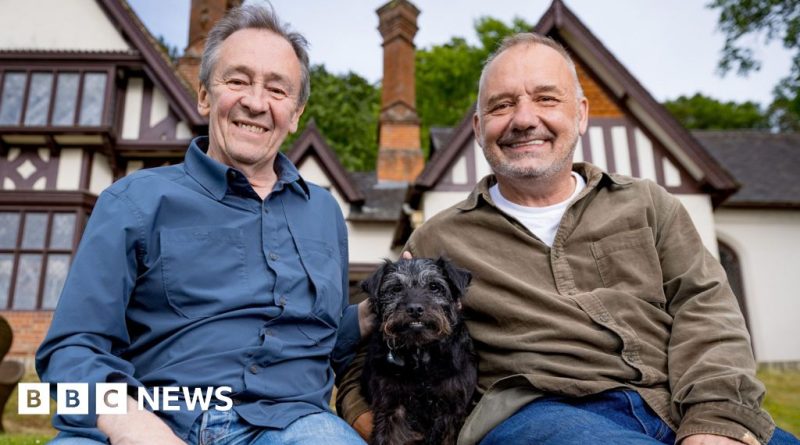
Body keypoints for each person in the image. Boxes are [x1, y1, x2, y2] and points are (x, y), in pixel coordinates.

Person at [336, 33, 800, 445]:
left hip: (672, 406)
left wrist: (715, 419)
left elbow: (707, 311)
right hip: (538, 413)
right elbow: (380, 339)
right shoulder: (441, 237)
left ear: (580, 115)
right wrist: (365, 419)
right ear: (478, 129)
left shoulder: (648, 205)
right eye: (501, 105)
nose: (523, 119)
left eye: (545, 99)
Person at [36, 4, 370, 445]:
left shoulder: (326, 213)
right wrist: (130, 423)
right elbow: (71, 349)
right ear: (205, 95)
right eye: (237, 81)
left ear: (296, 113)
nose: (255, 102)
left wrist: (373, 314)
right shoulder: (134, 200)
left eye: (277, 89)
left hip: (289, 427)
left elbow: (322, 341)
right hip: (150, 418)